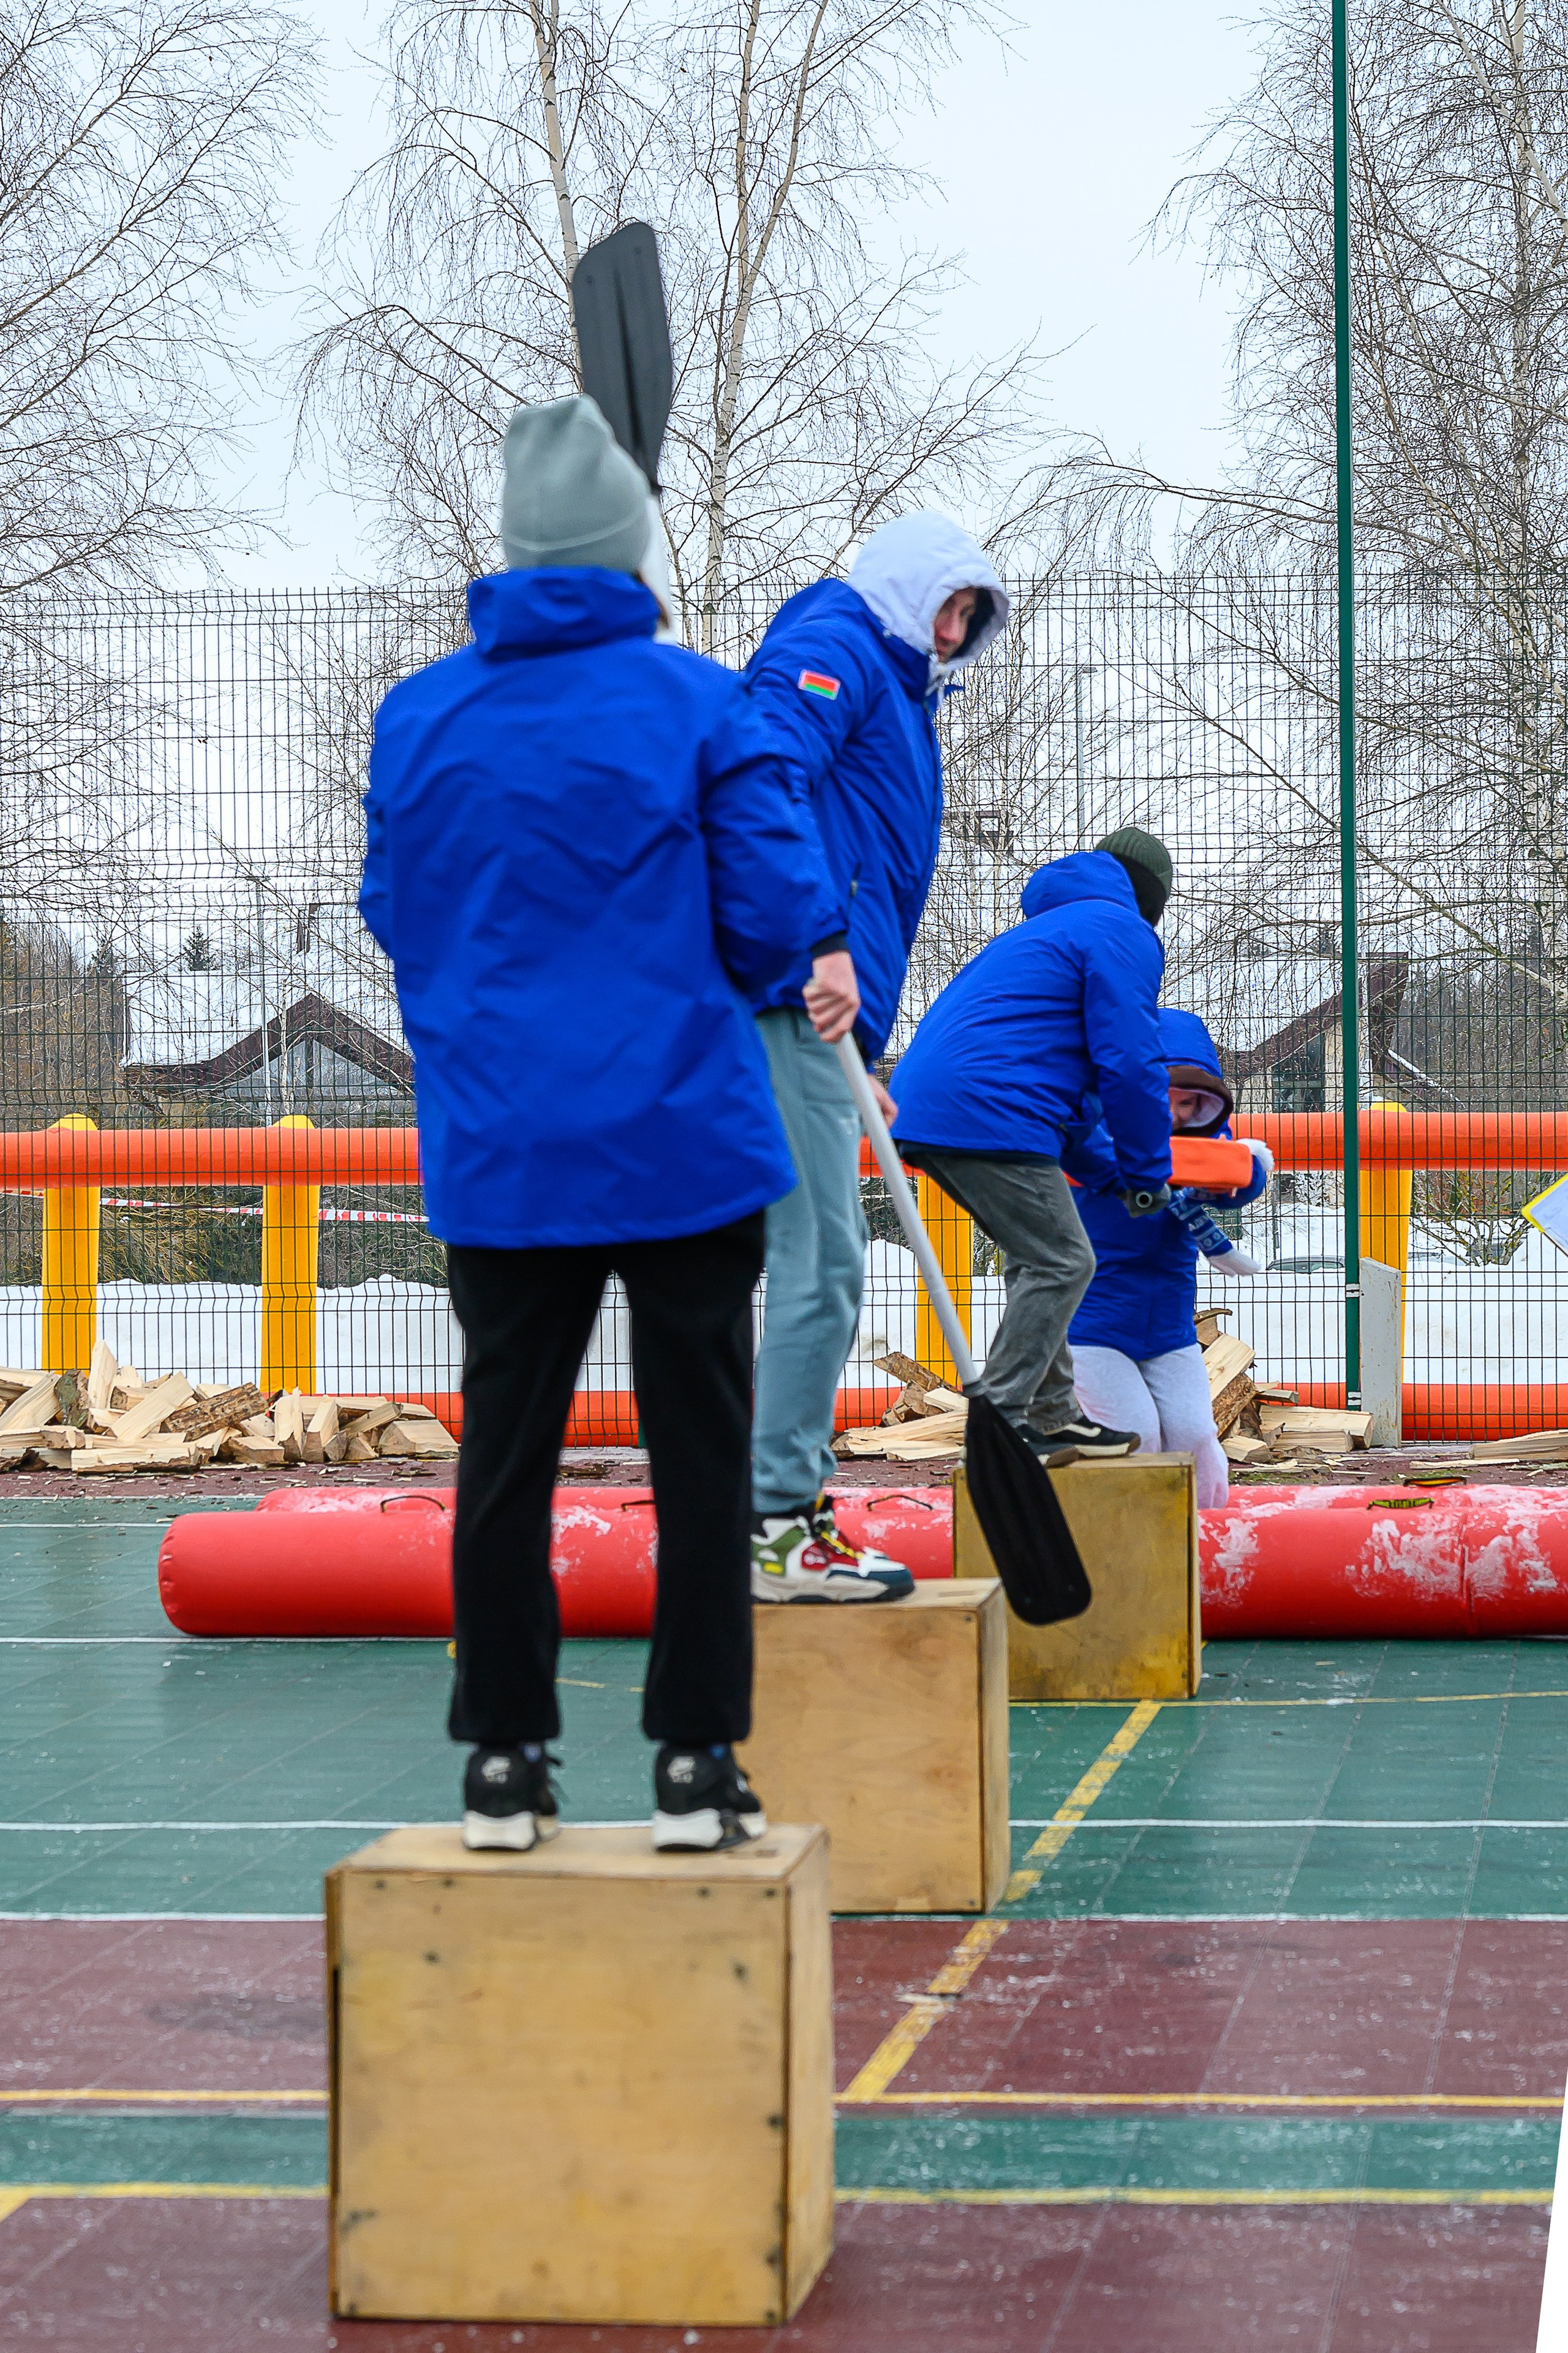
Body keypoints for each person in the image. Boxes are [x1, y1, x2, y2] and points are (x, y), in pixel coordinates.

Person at [360, 393, 840, 1857]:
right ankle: (696, 1760)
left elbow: (396, 907)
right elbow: (766, 902)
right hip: (682, 1135)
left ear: (510, 542)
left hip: (503, 1146)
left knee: (504, 1452)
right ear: (629, 543)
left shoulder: (420, 712)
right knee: (700, 1453)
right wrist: (793, 956)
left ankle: (502, 1756)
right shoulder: (699, 701)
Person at [742, 511, 1010, 1600]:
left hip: (820, 1006)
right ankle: (776, 1526)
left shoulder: (902, 695)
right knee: (825, 1262)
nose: (954, 630)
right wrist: (819, 940)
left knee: (780, 1257)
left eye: (970, 617)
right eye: (948, 604)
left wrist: (871, 1056)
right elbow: (764, 771)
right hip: (789, 988)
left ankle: (762, 1508)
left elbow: (857, 853)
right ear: (908, 588)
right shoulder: (839, 642)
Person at [886, 829, 1177, 1459]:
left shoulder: (1045, 934)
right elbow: (1128, 1062)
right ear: (1151, 899)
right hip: (986, 1108)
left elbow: (1066, 1095)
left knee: (1035, 1256)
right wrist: (1151, 1171)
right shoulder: (1119, 931)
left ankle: (1051, 1414)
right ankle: (1000, 1421)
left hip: (948, 1103)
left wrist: (1114, 1173)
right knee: (1062, 1261)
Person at [1067, 1009, 1273, 1508]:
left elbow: (1245, 1174)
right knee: (1136, 1436)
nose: (1175, 1113)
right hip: (1091, 1324)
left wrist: (1235, 1173)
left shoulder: (1205, 1143)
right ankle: (1128, 1545)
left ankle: (1207, 1539)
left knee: (1194, 1436)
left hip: (1167, 1327)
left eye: (1190, 1103)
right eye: (1163, 1097)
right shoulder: (1095, 1136)